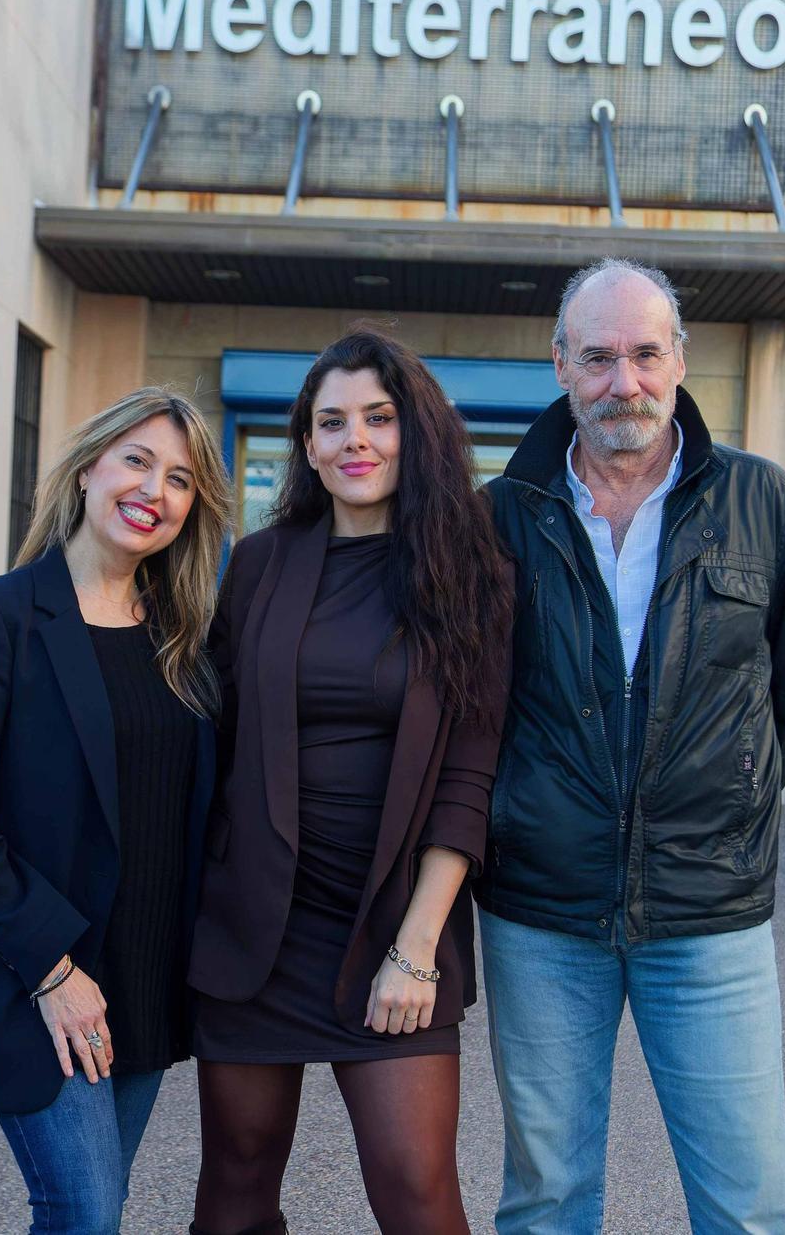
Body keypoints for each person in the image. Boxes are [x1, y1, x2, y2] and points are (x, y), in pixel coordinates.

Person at [477, 258, 785, 1234]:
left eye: (643, 354)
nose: (621, 381)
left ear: (681, 358)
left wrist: (723, 802)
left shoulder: (763, 503)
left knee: (752, 1205)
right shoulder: (500, 516)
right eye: (597, 357)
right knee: (545, 1201)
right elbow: (474, 708)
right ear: (559, 364)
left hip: (708, 915)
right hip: (541, 918)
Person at [188, 330, 514, 1235]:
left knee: (415, 1190)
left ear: (417, 431)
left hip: (390, 923)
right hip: (255, 926)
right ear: (306, 445)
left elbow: (468, 775)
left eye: (377, 417)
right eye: (330, 422)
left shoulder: (470, 575)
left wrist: (416, 946)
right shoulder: (259, 564)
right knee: (235, 1186)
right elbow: (209, 732)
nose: (353, 440)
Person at [0, 386, 231, 1234]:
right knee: (83, 1209)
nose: (153, 490)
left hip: (146, 981)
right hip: (38, 978)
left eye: (180, 479)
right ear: (89, 466)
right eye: (137, 460)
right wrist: (54, 971)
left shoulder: (184, 641)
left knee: (93, 1210)